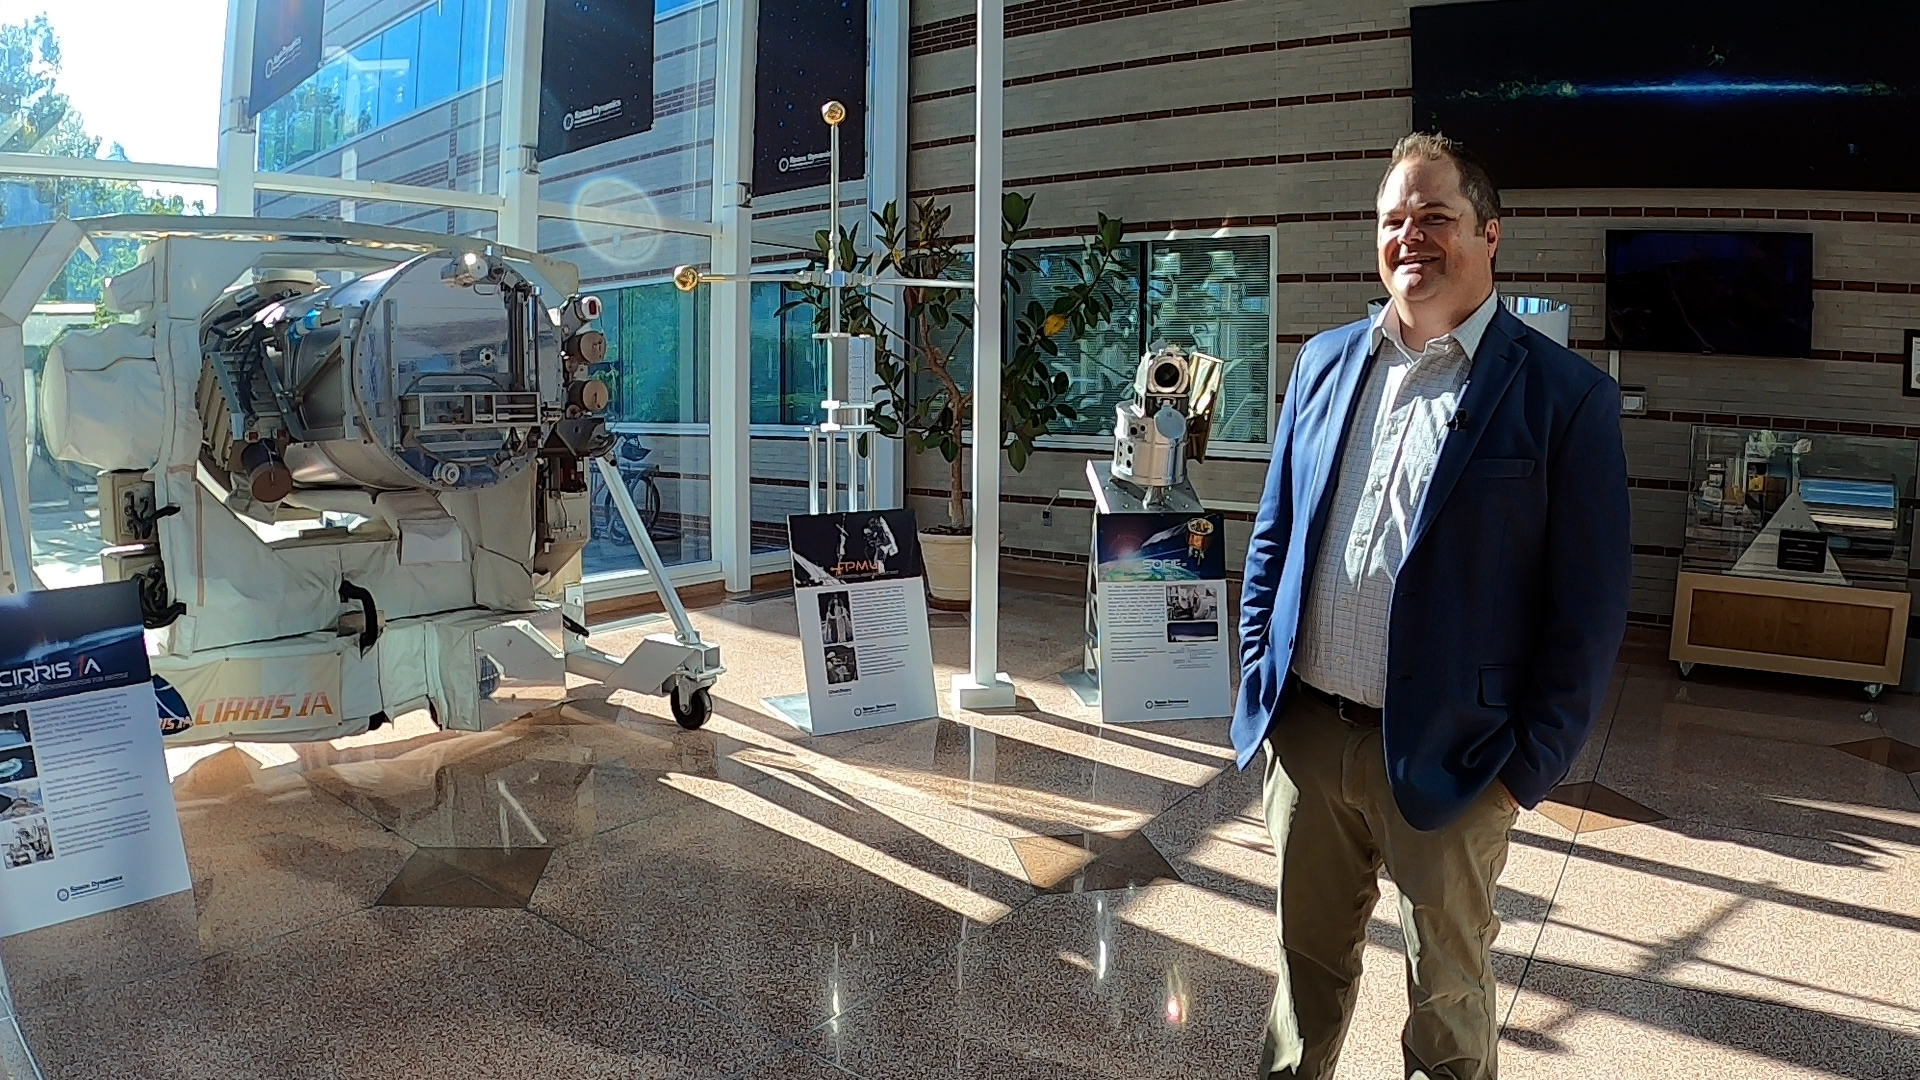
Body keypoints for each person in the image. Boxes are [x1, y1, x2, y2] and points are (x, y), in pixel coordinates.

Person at [1232, 133, 1631, 1080]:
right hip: (1308, 736)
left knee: (1448, 997)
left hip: (1458, 757)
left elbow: (1589, 608)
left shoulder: (1565, 397)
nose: (1411, 236)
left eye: (1436, 216)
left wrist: (1523, 770)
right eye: (1394, 220)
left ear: (1490, 234)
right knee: (1303, 971)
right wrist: (1261, 681)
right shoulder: (1325, 363)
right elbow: (1273, 537)